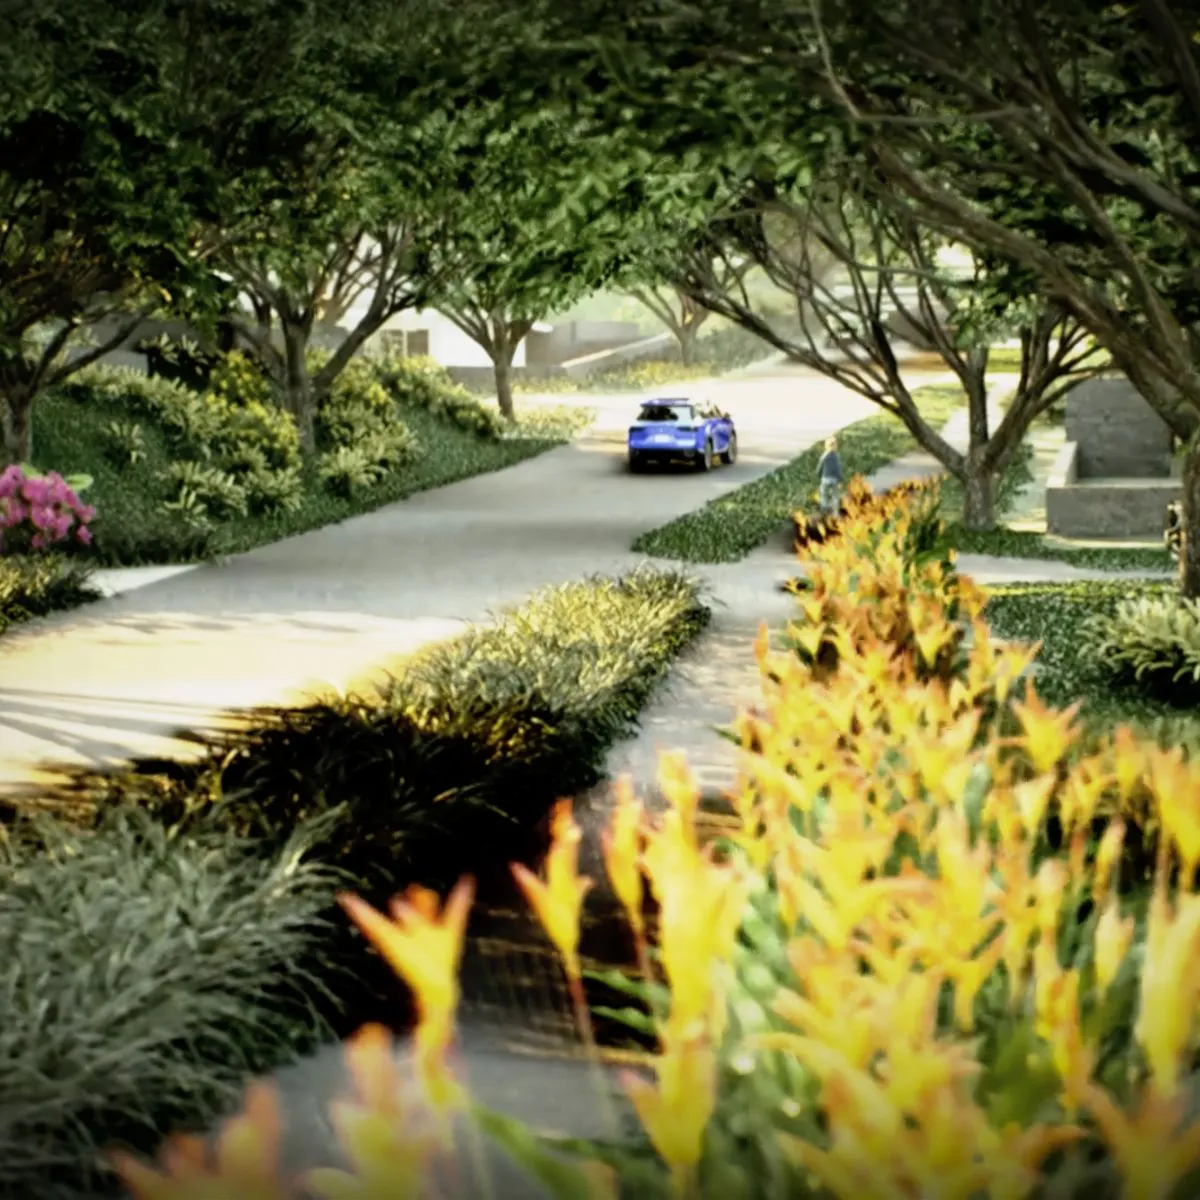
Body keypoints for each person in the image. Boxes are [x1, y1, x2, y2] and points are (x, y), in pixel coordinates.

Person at [816, 435, 843, 516]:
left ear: (826, 446)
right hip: (834, 479)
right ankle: (835, 513)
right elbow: (838, 469)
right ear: (835, 446)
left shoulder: (824, 455)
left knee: (823, 494)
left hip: (825, 479)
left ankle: (823, 510)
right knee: (835, 496)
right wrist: (840, 480)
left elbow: (819, 467)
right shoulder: (836, 456)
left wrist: (819, 474)